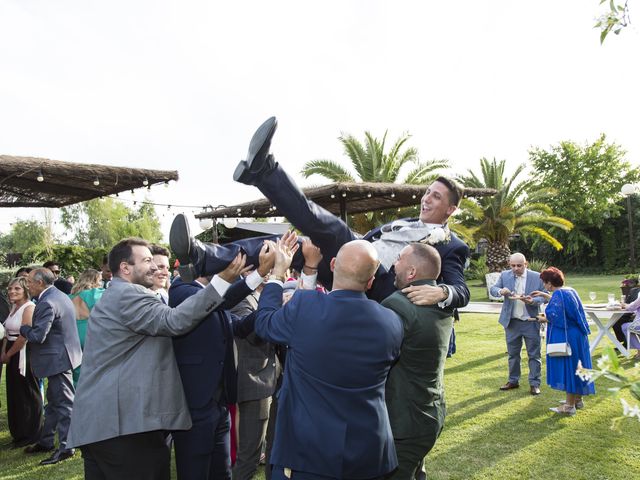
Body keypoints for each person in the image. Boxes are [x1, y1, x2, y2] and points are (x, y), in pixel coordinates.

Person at [67, 238, 248, 480]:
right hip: (124, 427)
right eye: (147, 260)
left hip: (105, 426)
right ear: (125, 268)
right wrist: (223, 280)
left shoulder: (118, 295)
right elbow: (174, 321)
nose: (155, 267)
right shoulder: (128, 295)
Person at [254, 238, 403, 479]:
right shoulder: (392, 322)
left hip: (308, 454)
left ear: (333, 265)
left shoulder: (305, 306)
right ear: (371, 281)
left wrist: (277, 274)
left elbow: (264, 324)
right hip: (369, 453)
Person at [169, 239, 273, 480]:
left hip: (219, 402)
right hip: (195, 403)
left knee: (222, 471)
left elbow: (239, 327)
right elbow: (213, 301)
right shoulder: (181, 289)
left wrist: (270, 308)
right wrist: (257, 274)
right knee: (195, 471)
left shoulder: (216, 296)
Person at [382, 243, 453, 480]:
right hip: (429, 411)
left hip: (405, 422)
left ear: (411, 272)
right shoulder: (443, 300)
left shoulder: (398, 304)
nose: (393, 263)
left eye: (399, 259)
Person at [20, 268, 82, 465]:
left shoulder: (47, 302)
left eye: (29, 281)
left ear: (39, 283)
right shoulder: (59, 295)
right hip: (61, 357)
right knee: (54, 403)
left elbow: (38, 336)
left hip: (58, 360)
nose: (26, 285)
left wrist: (23, 328)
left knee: (64, 404)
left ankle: (67, 447)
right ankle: (46, 441)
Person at [531, 267, 595, 415]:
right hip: (577, 336)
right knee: (578, 367)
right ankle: (577, 399)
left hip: (567, 336)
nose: (544, 286)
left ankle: (569, 406)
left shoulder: (559, 294)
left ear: (549, 284)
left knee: (569, 369)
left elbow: (555, 317)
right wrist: (544, 295)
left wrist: (542, 318)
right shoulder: (569, 290)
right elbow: (565, 305)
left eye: (544, 283)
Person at [489, 253, 546, 395]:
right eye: (512, 265)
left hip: (531, 321)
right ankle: (513, 381)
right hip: (511, 322)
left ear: (525, 264)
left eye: (519, 266)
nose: (515, 268)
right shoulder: (505, 275)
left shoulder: (536, 276)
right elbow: (493, 289)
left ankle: (534, 384)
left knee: (534, 355)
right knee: (513, 354)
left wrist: (532, 301)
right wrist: (501, 291)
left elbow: (544, 295)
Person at [0, 277, 43, 448]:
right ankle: (18, 433)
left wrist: (9, 353)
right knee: (15, 394)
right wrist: (3, 351)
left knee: (28, 392)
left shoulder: (29, 308)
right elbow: (7, 331)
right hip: (10, 351)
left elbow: (23, 336)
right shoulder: (13, 307)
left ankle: (32, 433)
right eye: (10, 289)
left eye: (17, 289)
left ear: (25, 290)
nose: (12, 292)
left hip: (23, 354)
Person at [68, 268, 104, 386]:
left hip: (73, 333)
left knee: (76, 369)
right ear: (95, 280)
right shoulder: (96, 294)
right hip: (91, 332)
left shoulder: (69, 297)